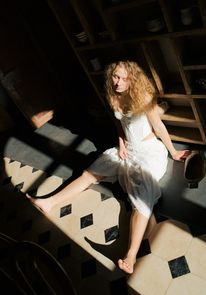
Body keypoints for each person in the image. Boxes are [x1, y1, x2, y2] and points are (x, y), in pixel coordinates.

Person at [27, 60, 190, 274]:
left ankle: (131, 255)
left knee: (142, 196)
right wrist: (121, 144)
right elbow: (119, 124)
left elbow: (158, 127)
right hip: (126, 148)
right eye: (115, 77)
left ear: (132, 78)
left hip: (148, 151)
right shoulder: (113, 95)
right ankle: (49, 202)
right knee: (89, 173)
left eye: (123, 78)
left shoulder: (144, 97)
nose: (118, 82)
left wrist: (174, 152)